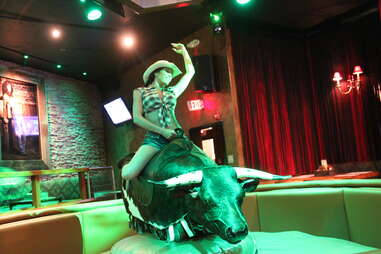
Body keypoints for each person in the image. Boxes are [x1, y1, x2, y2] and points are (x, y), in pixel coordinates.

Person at [121, 43, 195, 180]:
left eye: (171, 74)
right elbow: (137, 118)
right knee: (128, 174)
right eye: (167, 71)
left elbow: (190, 72)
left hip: (178, 137)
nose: (170, 76)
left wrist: (184, 52)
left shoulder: (172, 91)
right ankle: (128, 162)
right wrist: (162, 132)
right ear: (156, 72)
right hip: (155, 140)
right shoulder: (140, 92)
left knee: (206, 164)